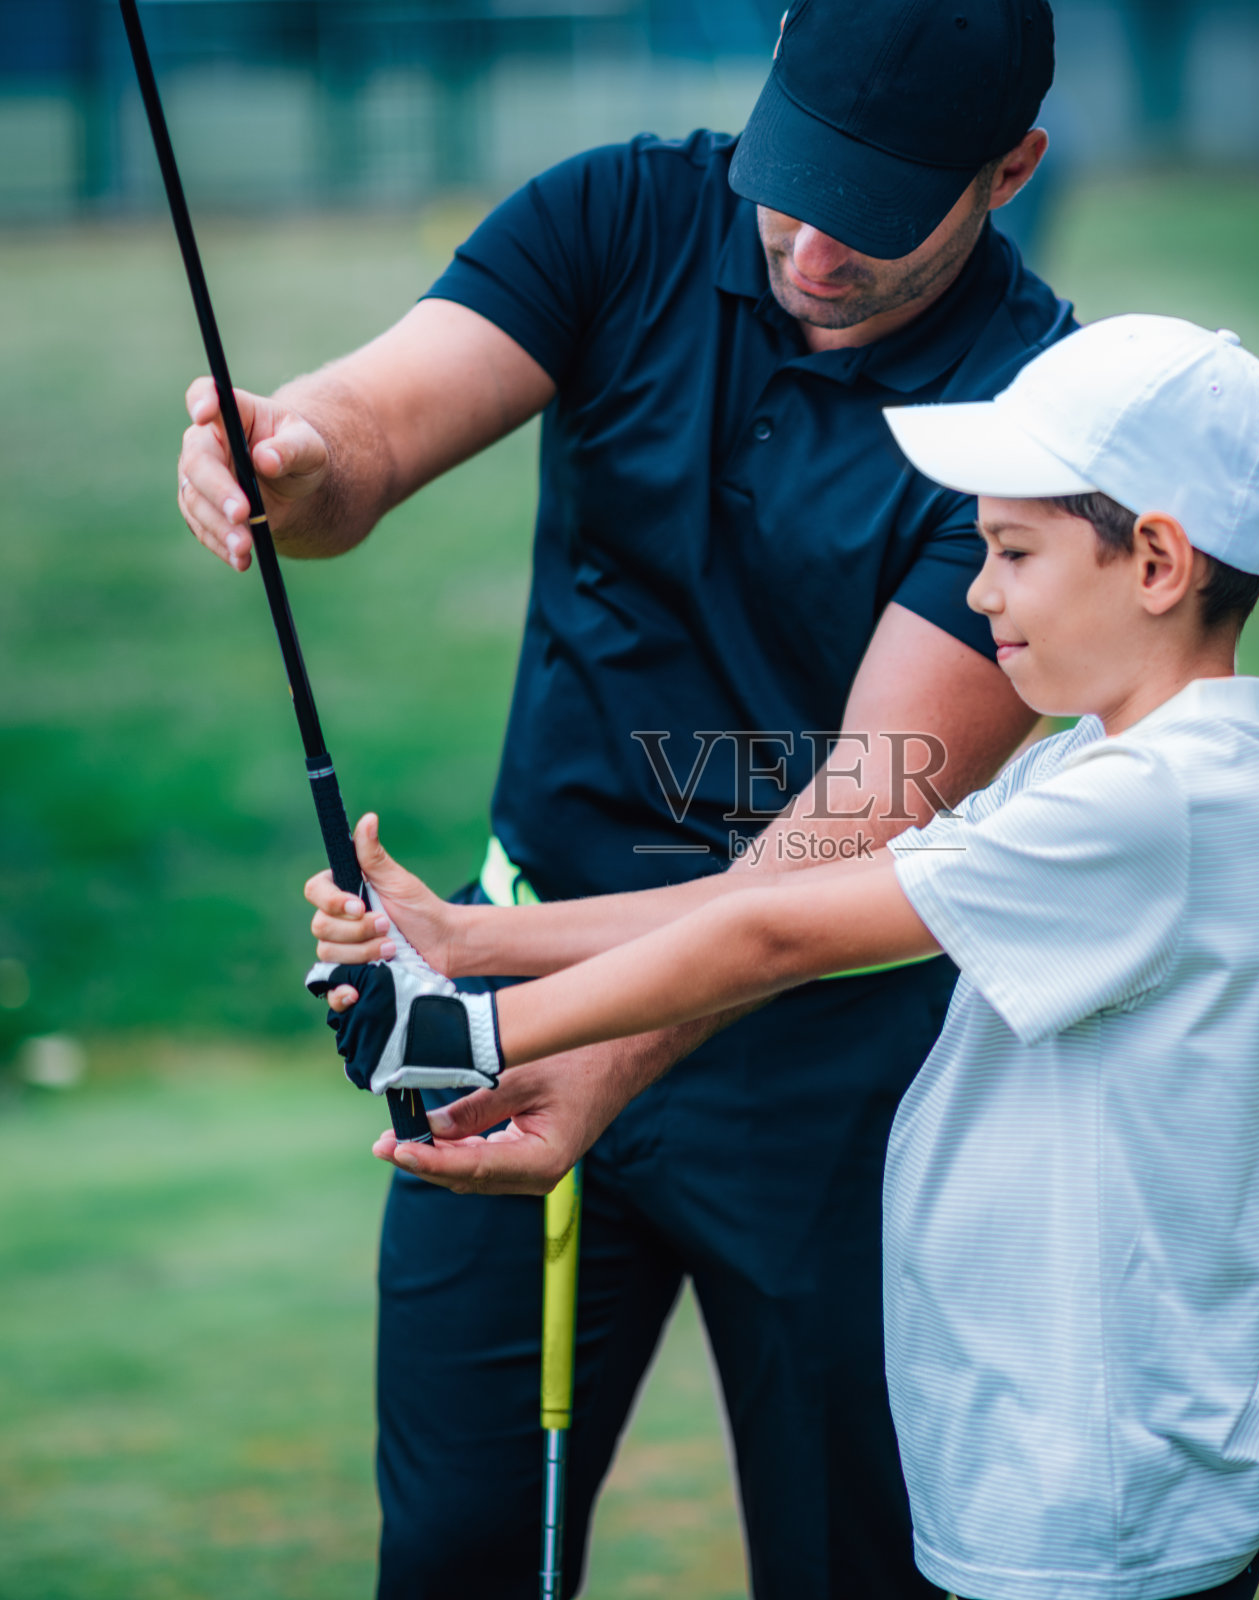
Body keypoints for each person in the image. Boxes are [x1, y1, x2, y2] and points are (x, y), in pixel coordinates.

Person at [176, 1, 1071, 1593]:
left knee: (848, 1559)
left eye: (873, 213)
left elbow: (855, 832)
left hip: (839, 1063)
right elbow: (365, 434)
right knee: (455, 1552)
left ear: (1012, 170)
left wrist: (586, 1039)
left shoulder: (1044, 417)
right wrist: (288, 455)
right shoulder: (623, 211)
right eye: (794, 179)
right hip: (517, 983)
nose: (807, 248)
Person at [306, 313, 1259, 1600]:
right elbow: (784, 888)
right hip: (1049, 1477)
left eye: (1012, 552)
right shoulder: (1100, 767)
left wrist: (472, 1029)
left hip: (1095, 1506)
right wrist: (465, 939)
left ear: (1155, 562)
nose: (977, 592)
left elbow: (776, 930)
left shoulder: (1151, 809)